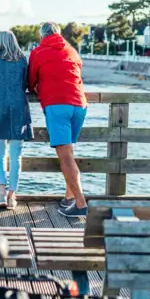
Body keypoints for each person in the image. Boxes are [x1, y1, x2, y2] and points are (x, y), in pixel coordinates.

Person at [28, 22, 88, 217]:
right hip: (79, 104)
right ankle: (70, 199)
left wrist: (37, 89)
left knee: (65, 156)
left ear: (41, 36)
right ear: (59, 34)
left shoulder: (38, 52)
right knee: (69, 152)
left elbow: (30, 82)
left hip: (57, 105)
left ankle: (80, 204)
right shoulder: (72, 50)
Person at [0, 30, 33, 210]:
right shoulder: (22, 59)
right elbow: (25, 84)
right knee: (16, 154)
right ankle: (13, 195)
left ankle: (1, 194)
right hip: (18, 107)